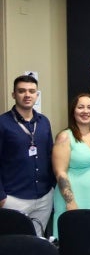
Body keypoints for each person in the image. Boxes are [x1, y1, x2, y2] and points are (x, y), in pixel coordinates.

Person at [0, 75, 55, 236]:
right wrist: (2, 197)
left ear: (37, 95)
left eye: (31, 91)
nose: (27, 95)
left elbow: (49, 154)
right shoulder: (3, 123)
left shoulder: (43, 121)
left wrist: (51, 186)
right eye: (22, 91)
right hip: (13, 199)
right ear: (13, 94)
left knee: (36, 245)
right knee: (12, 247)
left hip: (44, 197)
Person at [52, 94, 90, 236]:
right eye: (81, 107)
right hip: (74, 199)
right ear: (73, 111)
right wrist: (70, 202)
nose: (85, 111)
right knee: (74, 242)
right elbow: (60, 173)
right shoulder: (65, 136)